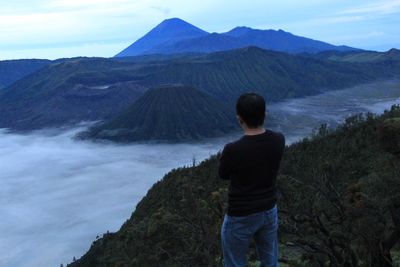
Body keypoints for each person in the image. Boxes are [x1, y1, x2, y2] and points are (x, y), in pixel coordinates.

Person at [219, 92, 285, 267]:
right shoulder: (278, 140)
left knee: (235, 263)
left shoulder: (233, 150)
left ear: (239, 119)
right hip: (269, 210)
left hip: (241, 215)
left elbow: (223, 174)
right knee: (270, 262)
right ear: (265, 115)